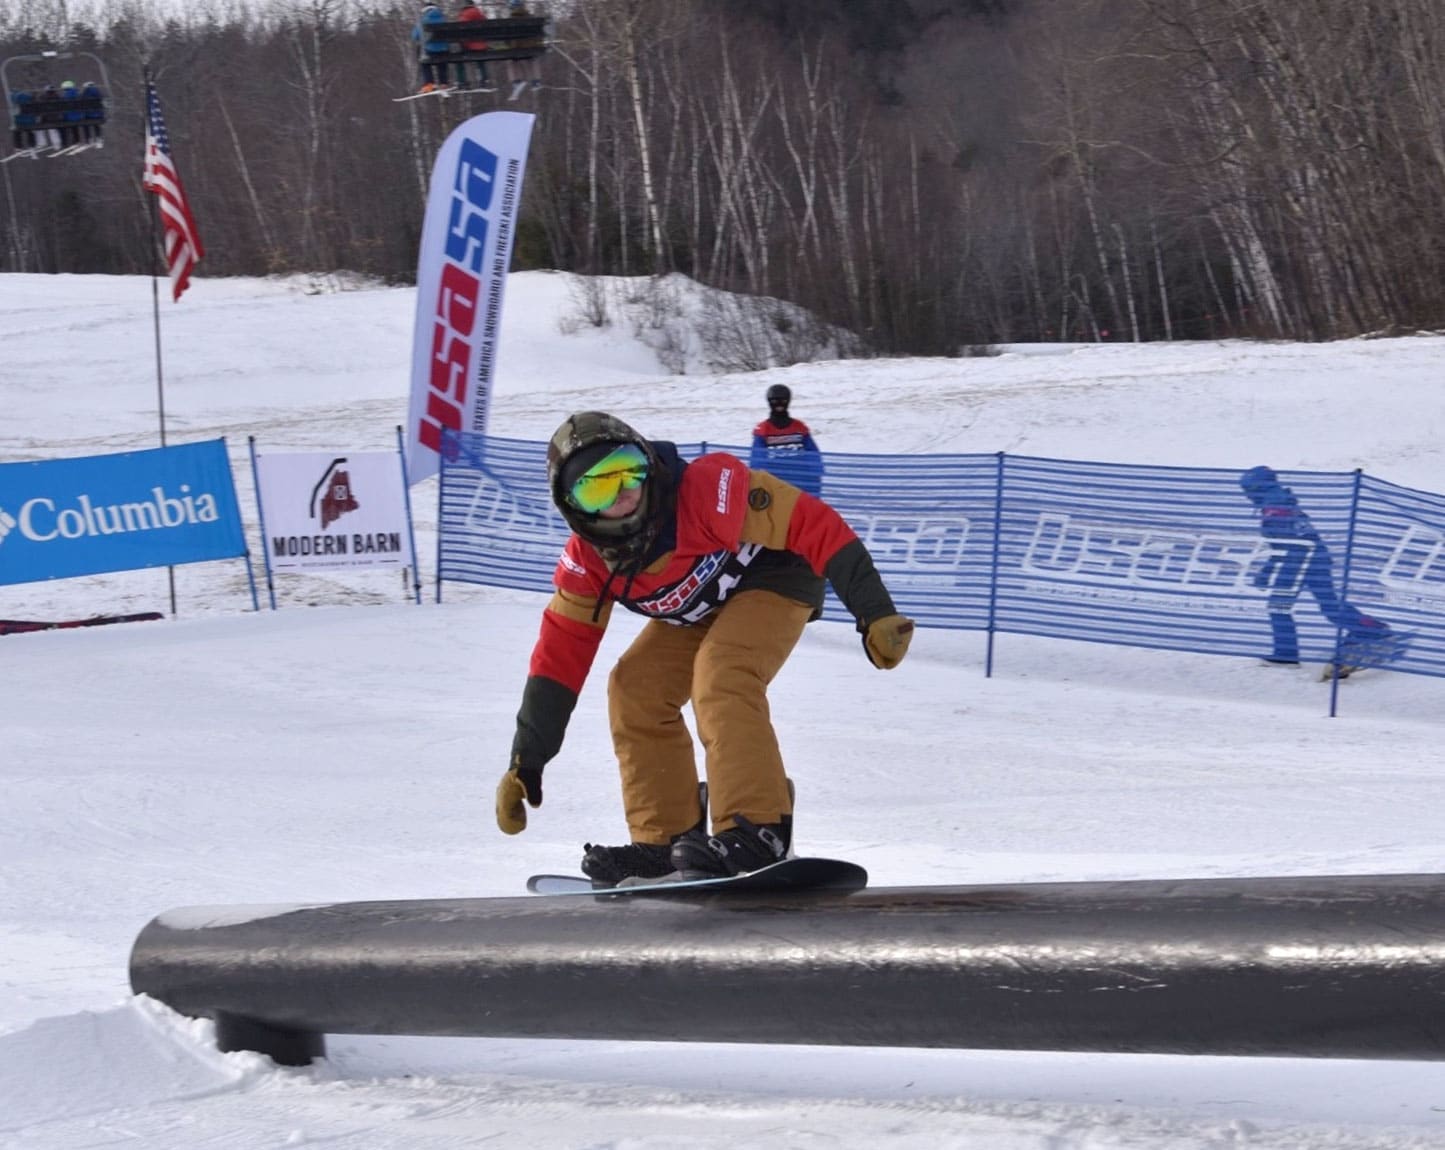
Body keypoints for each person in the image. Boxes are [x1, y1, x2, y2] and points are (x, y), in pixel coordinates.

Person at [495, 411, 915, 884]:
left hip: (775, 578)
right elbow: (559, 656)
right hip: (700, 607)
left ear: (650, 464)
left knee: (723, 672)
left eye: (629, 470)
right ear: (574, 507)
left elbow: (814, 523)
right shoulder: (587, 562)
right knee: (634, 688)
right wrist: (527, 759)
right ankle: (665, 840)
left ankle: (758, 830)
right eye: (599, 488)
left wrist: (874, 611)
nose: (625, 493)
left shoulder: (707, 491)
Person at [1239, 465, 1395, 673]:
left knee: (1278, 607)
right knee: (1329, 606)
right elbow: (1289, 541)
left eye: (1247, 490)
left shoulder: (1274, 507)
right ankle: (1371, 629)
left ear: (1255, 488)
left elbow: (1287, 543)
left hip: (1298, 561)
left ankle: (1286, 655)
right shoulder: (1282, 501)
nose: (1247, 496)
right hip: (1314, 558)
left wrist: (1271, 570)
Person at [750, 383, 823, 496]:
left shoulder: (799, 427)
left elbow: (812, 453)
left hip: (801, 480)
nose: (779, 405)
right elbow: (757, 460)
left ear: (788, 401)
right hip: (775, 483)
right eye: (775, 401)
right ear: (769, 402)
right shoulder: (763, 429)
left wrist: (815, 477)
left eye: (783, 401)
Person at [410, 4, 453, 92]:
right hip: (443, 51)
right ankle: (443, 83)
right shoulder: (444, 20)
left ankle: (429, 84)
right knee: (442, 61)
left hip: (430, 51)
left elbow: (415, 36)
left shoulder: (423, 21)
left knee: (424, 61)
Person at [455, 2, 492, 89]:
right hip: (482, 47)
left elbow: (462, 32)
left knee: (458, 60)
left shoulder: (464, 15)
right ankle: (484, 80)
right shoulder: (480, 14)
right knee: (480, 60)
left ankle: (462, 81)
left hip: (470, 47)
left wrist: (464, 45)